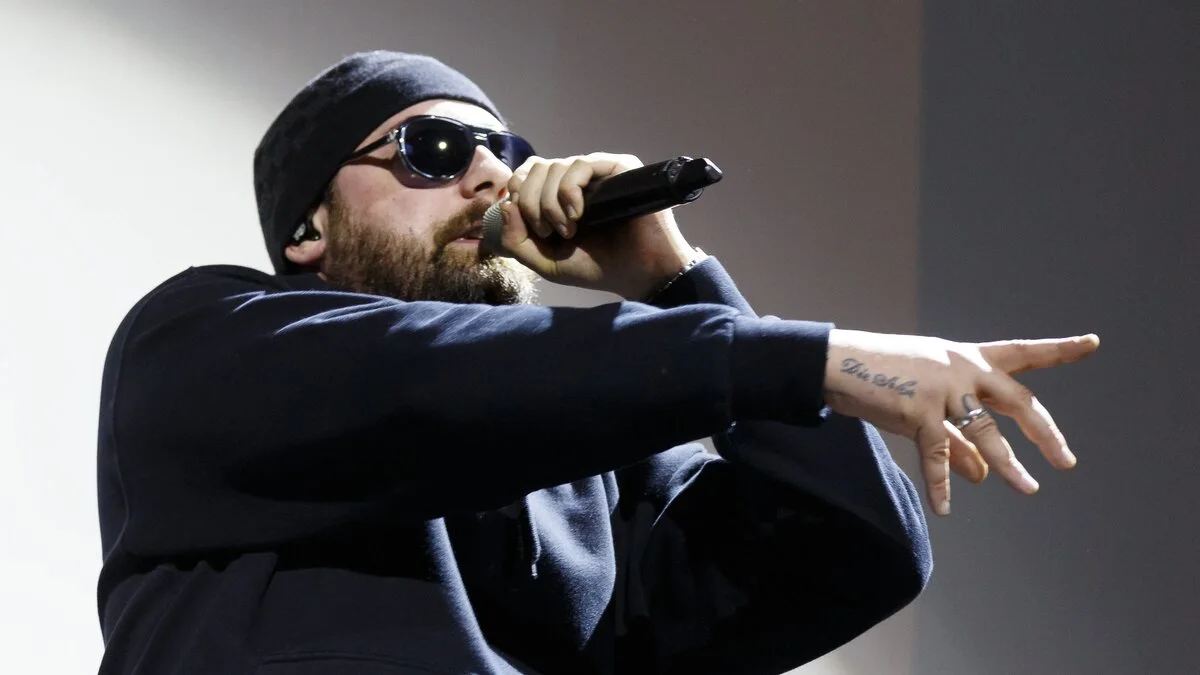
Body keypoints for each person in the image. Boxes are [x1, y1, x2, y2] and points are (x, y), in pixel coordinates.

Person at [94, 51, 1099, 675]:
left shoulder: (597, 478)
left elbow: (853, 552)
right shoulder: (206, 340)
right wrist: (819, 357)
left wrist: (680, 280)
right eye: (433, 149)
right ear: (308, 227)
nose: (490, 176)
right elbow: (428, 378)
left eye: (502, 150)